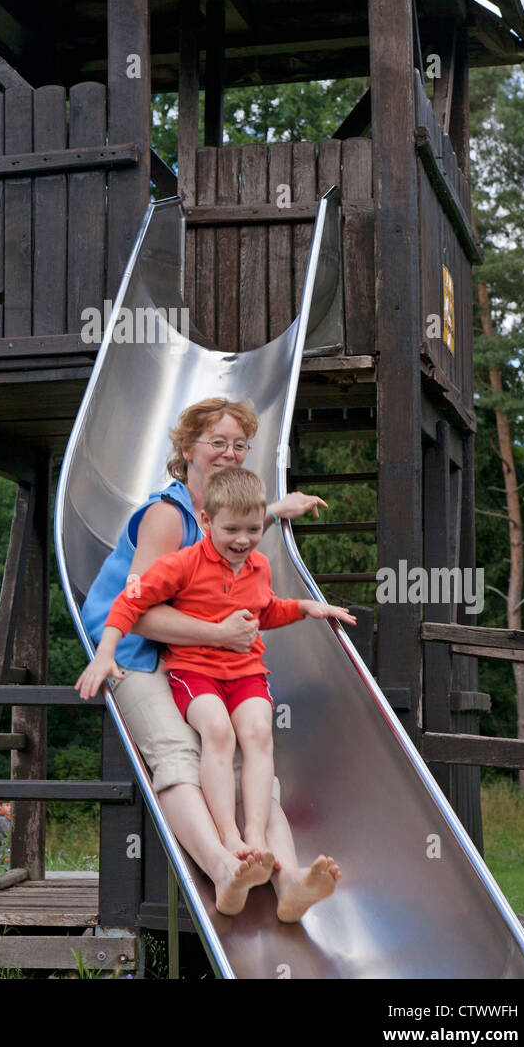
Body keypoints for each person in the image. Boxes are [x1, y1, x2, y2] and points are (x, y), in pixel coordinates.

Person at [75, 395, 347, 921]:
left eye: (239, 444)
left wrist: (274, 510)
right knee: (181, 752)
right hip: (135, 651)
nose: (229, 453)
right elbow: (141, 611)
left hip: (196, 654)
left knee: (251, 759)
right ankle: (224, 865)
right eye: (216, 442)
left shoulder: (230, 515)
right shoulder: (165, 516)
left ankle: (287, 877)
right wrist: (221, 635)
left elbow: (232, 525)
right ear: (186, 448)